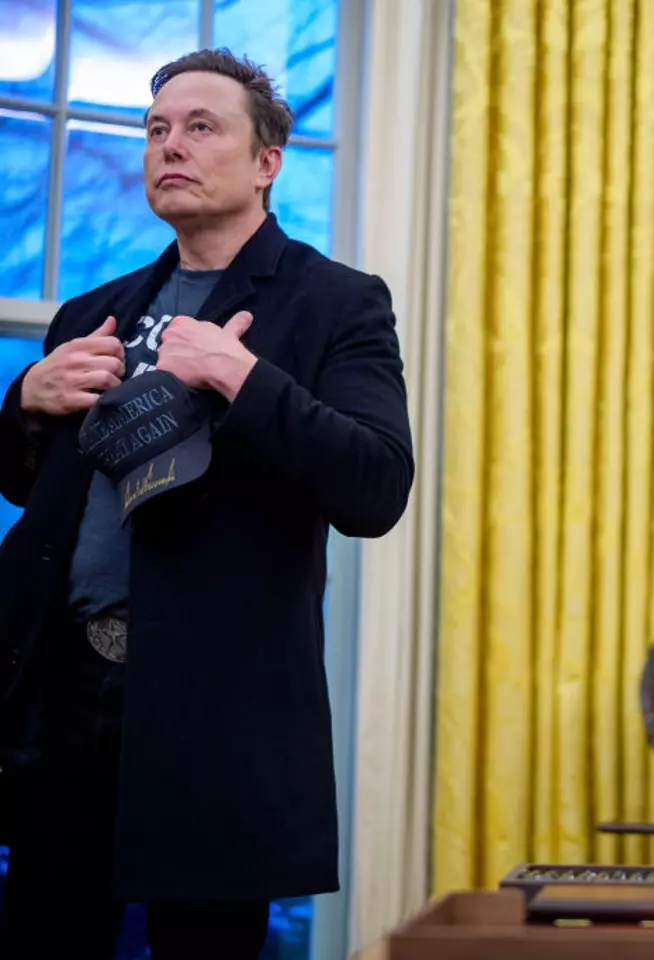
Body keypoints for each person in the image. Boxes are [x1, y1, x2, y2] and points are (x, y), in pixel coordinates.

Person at [0, 49, 413, 957]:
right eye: (155, 130)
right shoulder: (93, 312)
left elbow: (378, 486)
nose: (168, 148)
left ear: (268, 161)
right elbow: (37, 492)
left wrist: (243, 377)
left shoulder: (335, 303)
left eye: (199, 128)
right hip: (62, 697)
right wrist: (25, 398)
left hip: (212, 715)